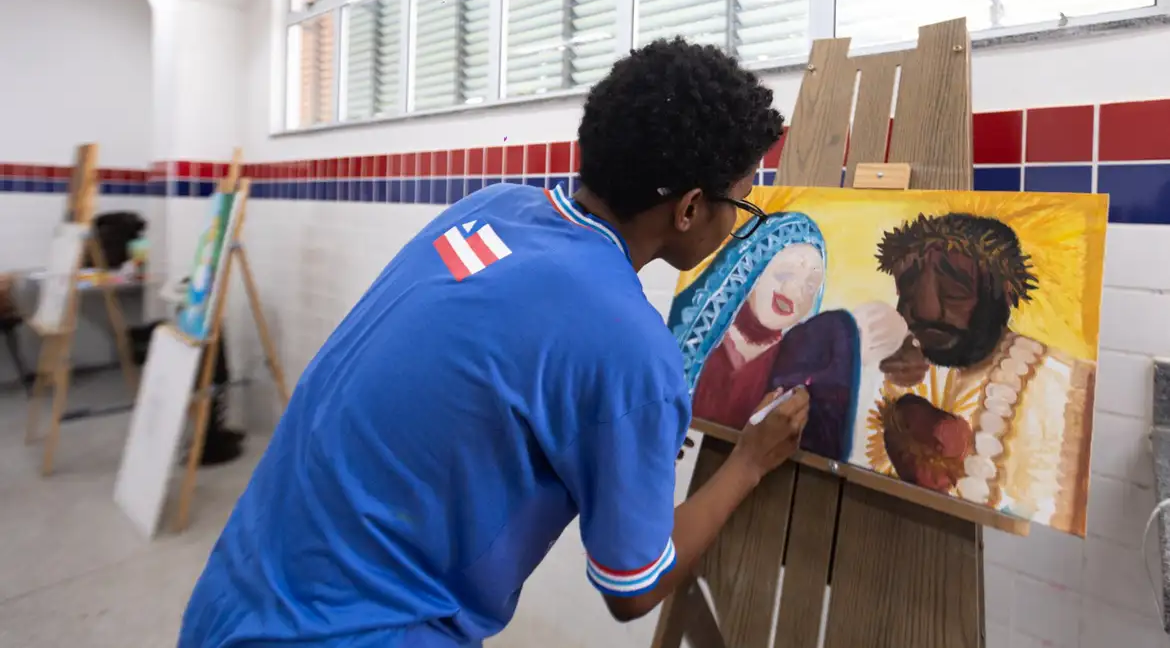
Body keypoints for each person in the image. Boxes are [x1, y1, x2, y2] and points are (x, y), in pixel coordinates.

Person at [179, 37, 811, 648]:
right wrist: (749, 462)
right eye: (741, 203)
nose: (739, 221)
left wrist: (626, 431)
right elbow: (633, 589)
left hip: (238, 593)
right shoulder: (632, 348)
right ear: (689, 207)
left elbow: (497, 372)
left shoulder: (488, 210)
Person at [852, 212, 1094, 532]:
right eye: (910, 286)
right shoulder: (879, 370)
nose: (925, 308)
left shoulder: (1064, 388)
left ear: (1004, 293)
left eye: (955, 289)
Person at [670, 212, 905, 460]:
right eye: (785, 275)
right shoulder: (686, 330)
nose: (795, 291)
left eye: (810, 286)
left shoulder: (797, 369)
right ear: (751, 266)